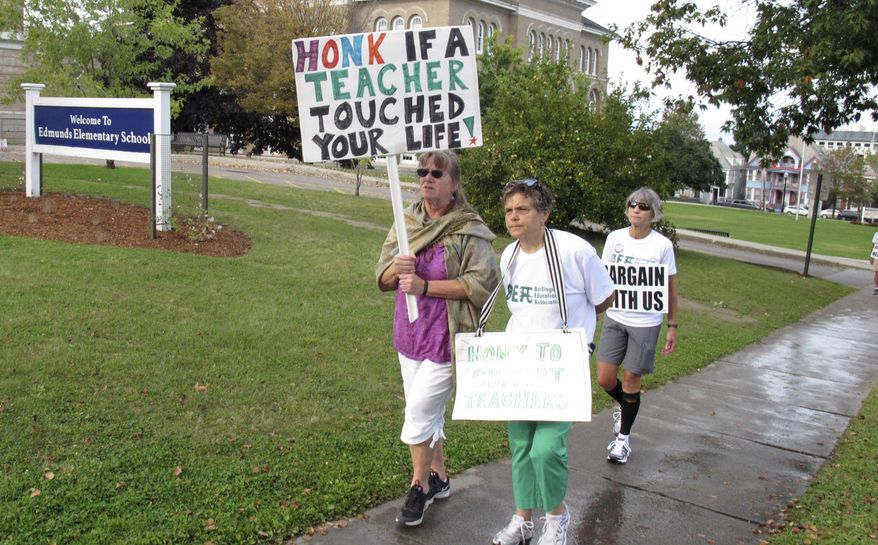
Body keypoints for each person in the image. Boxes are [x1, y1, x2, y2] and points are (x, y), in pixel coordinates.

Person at [376, 150, 499, 527]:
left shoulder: (469, 228)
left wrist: (426, 285)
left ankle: (419, 487)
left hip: (447, 338)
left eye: (437, 173)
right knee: (427, 413)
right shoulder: (406, 220)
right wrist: (396, 271)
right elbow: (381, 279)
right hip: (409, 336)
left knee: (417, 415)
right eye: (422, 171)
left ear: (455, 184)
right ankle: (441, 478)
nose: (427, 177)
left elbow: (483, 282)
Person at [491, 179, 615, 545]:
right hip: (520, 362)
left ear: (544, 213)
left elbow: (604, 297)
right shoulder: (509, 255)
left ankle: (557, 518)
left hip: (561, 365)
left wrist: (578, 331)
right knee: (521, 445)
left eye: (523, 209)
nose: (514, 217)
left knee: (547, 447)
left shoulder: (574, 251)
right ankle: (522, 519)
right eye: (509, 210)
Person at [597, 187, 678, 465]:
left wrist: (672, 325)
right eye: (632, 204)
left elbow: (669, 288)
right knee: (605, 379)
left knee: (631, 378)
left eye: (643, 206)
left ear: (653, 213)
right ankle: (624, 406)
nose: (636, 209)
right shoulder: (614, 238)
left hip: (646, 322)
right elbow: (604, 279)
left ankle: (623, 440)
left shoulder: (662, 246)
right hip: (616, 318)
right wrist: (596, 308)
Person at [871, 230, 878, 295]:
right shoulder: (877, 234)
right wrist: (871, 257)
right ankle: (876, 288)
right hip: (877, 257)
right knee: (877, 272)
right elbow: (873, 245)